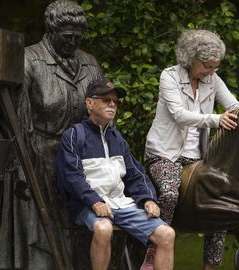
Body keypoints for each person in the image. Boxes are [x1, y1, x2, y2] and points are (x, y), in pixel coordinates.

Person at [0, 1, 103, 269]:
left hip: (82, 160)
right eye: (67, 36)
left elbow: (102, 114)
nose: (73, 42)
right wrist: (23, 165)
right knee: (44, 234)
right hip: (40, 157)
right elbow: (18, 122)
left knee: (81, 230)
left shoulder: (90, 64)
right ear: (52, 31)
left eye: (78, 37)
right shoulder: (30, 60)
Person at [144, 29, 239, 270]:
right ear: (191, 59)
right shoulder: (169, 77)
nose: (211, 71)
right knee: (168, 193)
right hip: (164, 152)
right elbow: (179, 115)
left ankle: (211, 265)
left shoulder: (213, 79)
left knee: (221, 202)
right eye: (207, 65)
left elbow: (234, 105)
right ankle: (153, 249)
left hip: (197, 158)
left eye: (215, 66)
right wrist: (216, 120)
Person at [56, 78, 175, 270]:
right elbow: (72, 176)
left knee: (167, 234)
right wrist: (95, 201)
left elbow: (136, 174)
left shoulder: (117, 138)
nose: (112, 104)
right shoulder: (73, 135)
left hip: (120, 203)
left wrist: (147, 199)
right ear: (89, 103)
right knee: (103, 228)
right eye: (106, 100)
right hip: (87, 204)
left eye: (115, 102)